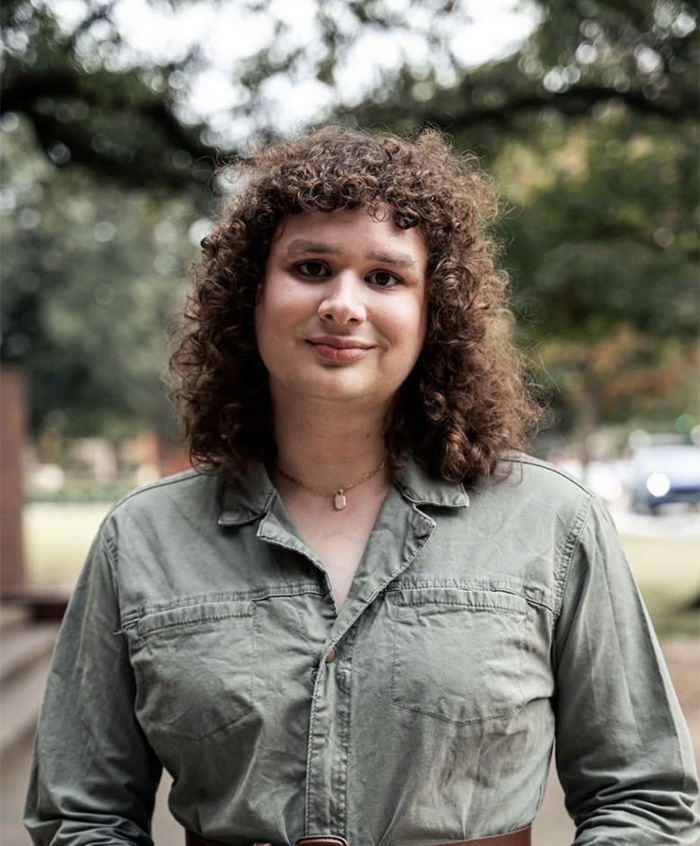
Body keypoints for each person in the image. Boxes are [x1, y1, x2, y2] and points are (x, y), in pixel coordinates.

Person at [26, 126, 699, 846]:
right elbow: (82, 815)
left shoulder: (552, 524)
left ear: (431, 312)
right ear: (251, 297)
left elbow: (644, 798)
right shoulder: (143, 539)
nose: (344, 304)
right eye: (312, 267)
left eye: (385, 277)